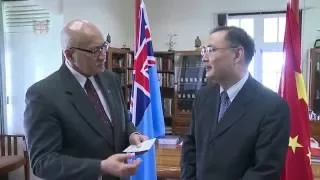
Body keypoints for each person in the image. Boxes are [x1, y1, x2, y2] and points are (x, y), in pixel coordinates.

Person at [24, 19, 148, 180]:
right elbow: (43, 162)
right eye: (95, 50)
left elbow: (124, 119)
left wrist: (132, 134)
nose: (103, 55)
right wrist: (100, 167)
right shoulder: (42, 95)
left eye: (104, 46)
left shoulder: (111, 79)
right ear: (69, 54)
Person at [181, 26, 290, 180]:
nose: (204, 58)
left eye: (211, 50)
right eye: (204, 50)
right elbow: (190, 147)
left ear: (237, 54)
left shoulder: (273, 106)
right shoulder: (203, 96)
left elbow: (264, 170)